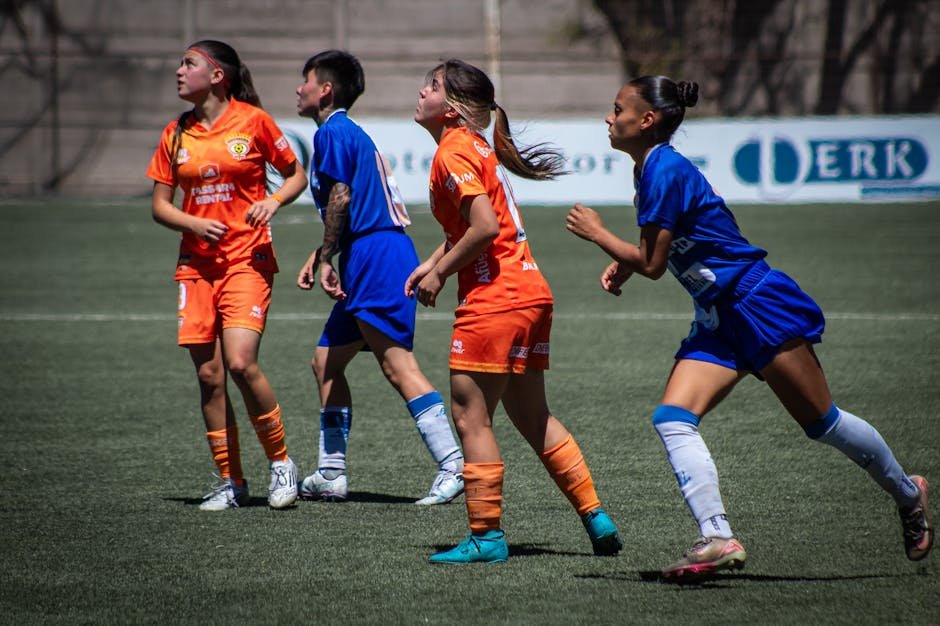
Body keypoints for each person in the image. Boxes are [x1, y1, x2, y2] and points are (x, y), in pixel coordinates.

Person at [566, 75, 934, 581]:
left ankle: (909, 494)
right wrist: (629, 259)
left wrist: (599, 236)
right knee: (672, 417)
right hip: (718, 317)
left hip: (757, 304)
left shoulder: (663, 168)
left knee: (823, 424)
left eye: (617, 109)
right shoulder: (650, 167)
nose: (609, 118)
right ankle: (716, 536)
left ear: (646, 120)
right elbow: (669, 240)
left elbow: (654, 263)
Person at [407, 58, 622, 564]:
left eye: (432, 86)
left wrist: (440, 274)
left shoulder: (454, 150)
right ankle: (596, 515)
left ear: (454, 108)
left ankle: (487, 536)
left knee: (469, 415)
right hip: (530, 293)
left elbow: (483, 228)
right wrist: (432, 262)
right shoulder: (476, 146)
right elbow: (475, 228)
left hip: (494, 300)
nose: (421, 92)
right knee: (532, 415)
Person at [294, 50, 465, 505]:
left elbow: (343, 197)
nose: (298, 89)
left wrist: (327, 255)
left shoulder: (333, 131)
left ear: (325, 90)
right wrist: (325, 252)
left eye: (305, 81)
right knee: (325, 361)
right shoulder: (348, 133)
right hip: (368, 251)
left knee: (397, 364)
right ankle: (330, 472)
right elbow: (351, 203)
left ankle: (454, 464)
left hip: (377, 256)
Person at [147, 40, 307, 511]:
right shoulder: (175, 133)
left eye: (189, 64)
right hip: (195, 266)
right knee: (210, 375)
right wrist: (193, 223)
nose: (179, 71)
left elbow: (295, 174)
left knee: (239, 362)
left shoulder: (253, 120)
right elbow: (159, 205)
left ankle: (281, 462)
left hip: (246, 259)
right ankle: (230, 482)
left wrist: (273, 201)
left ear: (217, 75)